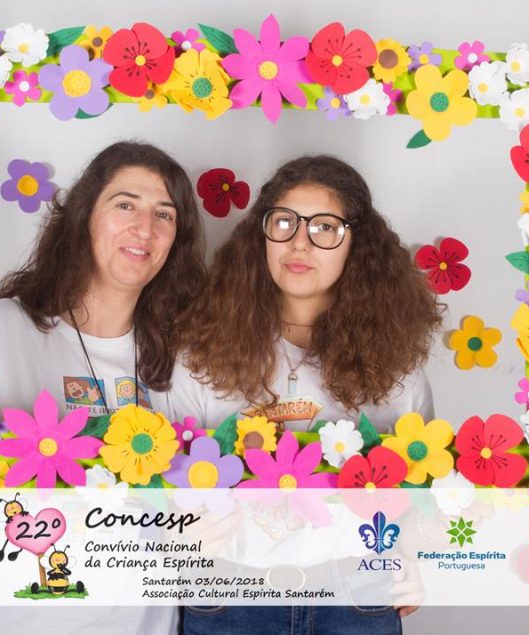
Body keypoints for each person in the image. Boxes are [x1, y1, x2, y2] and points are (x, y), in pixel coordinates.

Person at [168, 154, 443, 634]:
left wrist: (415, 557)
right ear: (261, 235)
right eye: (285, 222)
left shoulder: (397, 366)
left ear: (357, 244)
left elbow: (421, 488)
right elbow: (167, 489)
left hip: (357, 598)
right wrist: (180, 536)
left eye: (325, 228)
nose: (300, 242)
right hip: (228, 600)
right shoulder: (200, 353)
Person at [0, 140, 205, 635]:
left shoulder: (186, 357)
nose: (145, 228)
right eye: (125, 205)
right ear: (84, 216)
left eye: (164, 214)